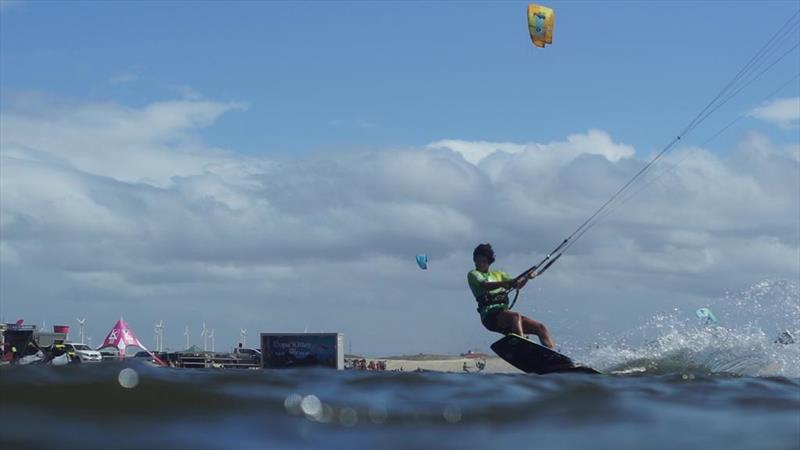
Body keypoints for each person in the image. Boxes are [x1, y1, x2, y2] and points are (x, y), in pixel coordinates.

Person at [468, 243, 555, 349]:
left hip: (505, 315)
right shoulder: (473, 274)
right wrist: (504, 283)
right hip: (490, 316)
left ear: (489, 262)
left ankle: (555, 356)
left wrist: (527, 277)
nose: (479, 264)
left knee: (540, 328)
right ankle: (524, 348)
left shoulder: (499, 274)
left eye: (483, 261)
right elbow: (485, 285)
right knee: (515, 316)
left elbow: (517, 285)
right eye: (477, 261)